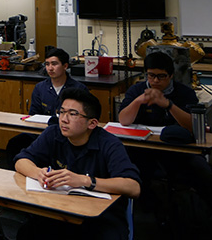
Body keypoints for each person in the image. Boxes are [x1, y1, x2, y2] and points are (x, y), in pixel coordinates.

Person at [15, 87, 141, 240]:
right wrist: (38, 173)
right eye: (61, 112)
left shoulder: (109, 144)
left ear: (92, 123)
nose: (64, 119)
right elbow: (21, 160)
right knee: (26, 233)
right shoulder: (54, 134)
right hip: (61, 211)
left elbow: (133, 187)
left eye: (73, 114)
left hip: (100, 219)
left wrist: (85, 181)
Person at [118, 51, 212, 223]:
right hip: (144, 149)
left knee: (204, 175)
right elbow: (123, 120)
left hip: (181, 150)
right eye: (151, 75)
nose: (155, 81)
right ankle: (148, 215)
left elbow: (194, 126)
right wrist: (138, 101)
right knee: (130, 169)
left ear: (171, 76)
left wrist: (169, 105)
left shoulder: (184, 93)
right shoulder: (137, 90)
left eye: (161, 76)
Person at [6, 48, 88, 160]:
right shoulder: (40, 88)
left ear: (65, 66)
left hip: (67, 134)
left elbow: (83, 118)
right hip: (40, 132)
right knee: (15, 143)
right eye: (47, 64)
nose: (50, 68)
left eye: (54, 64)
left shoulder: (78, 89)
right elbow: (33, 114)